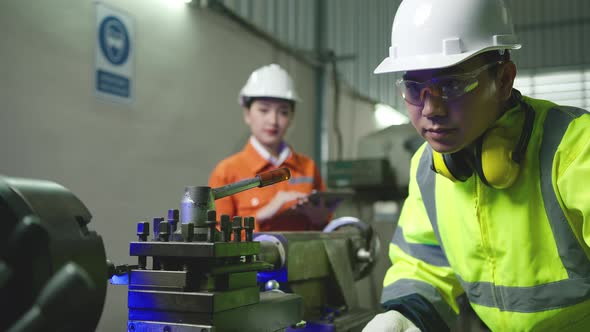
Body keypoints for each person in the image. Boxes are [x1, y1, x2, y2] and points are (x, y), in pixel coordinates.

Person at [363, 0, 590, 331]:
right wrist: (403, 316)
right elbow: (423, 265)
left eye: (452, 85)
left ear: (503, 79)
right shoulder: (427, 168)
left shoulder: (573, 148)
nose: (430, 109)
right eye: (414, 89)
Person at [209, 63, 329, 232]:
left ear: (292, 117)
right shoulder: (227, 173)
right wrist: (262, 214)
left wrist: (320, 220)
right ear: (247, 114)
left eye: (283, 112)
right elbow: (219, 237)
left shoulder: (307, 168)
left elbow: (327, 228)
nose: (273, 120)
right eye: (264, 110)